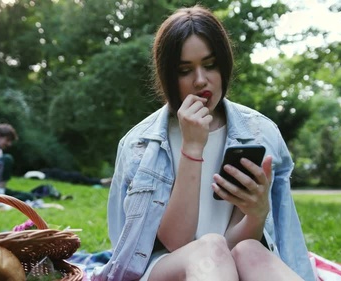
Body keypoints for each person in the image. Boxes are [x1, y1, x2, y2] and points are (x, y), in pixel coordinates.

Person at [92, 5, 315, 281]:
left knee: (249, 251)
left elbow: (233, 244)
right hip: (164, 267)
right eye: (185, 70)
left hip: (227, 266)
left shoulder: (259, 133)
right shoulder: (139, 144)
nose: (201, 80)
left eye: (210, 65)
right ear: (169, 76)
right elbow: (176, 241)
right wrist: (192, 148)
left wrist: (256, 215)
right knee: (208, 247)